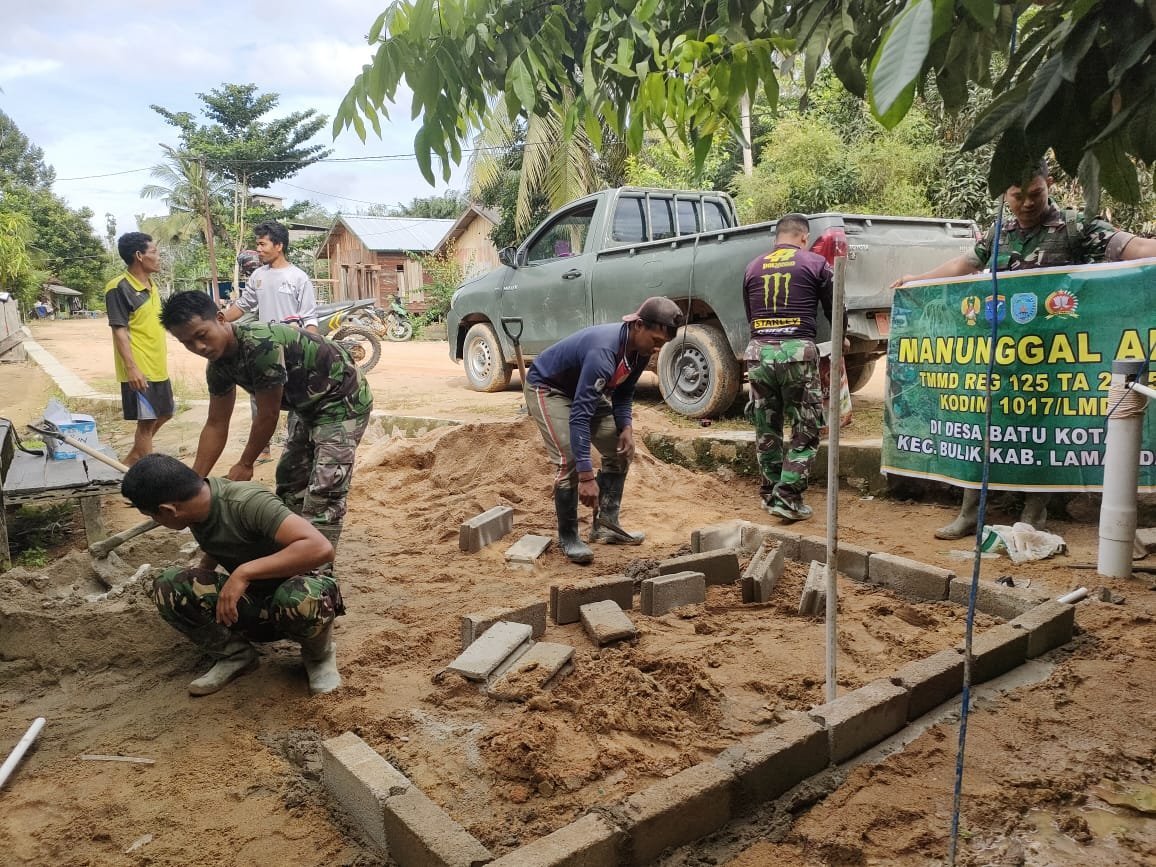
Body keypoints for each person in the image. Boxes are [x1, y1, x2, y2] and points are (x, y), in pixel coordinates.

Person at [892, 159, 1156, 539]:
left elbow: (1131, 247)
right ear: (1005, 195)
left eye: (1036, 194)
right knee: (982, 428)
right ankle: (971, 513)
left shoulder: (1076, 226)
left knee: (1042, 432)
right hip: (1001, 357)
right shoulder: (999, 233)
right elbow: (964, 264)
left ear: (1049, 186)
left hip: (1055, 358)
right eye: (1018, 197)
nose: (1028, 203)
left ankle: (1033, 517)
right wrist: (918, 279)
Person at [159, 290, 373, 553]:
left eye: (201, 335)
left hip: (342, 400)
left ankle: (316, 571)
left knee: (326, 487)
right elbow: (216, 423)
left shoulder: (260, 344)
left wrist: (245, 463)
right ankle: (290, 547)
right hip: (306, 406)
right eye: (187, 343)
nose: (199, 348)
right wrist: (192, 484)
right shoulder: (217, 365)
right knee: (290, 479)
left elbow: (267, 415)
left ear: (220, 318)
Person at [122, 454, 342, 695]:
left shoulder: (246, 501)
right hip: (255, 604)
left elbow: (320, 548)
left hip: (304, 601)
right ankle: (236, 656)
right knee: (169, 585)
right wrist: (194, 589)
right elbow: (223, 542)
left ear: (168, 509)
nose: (156, 521)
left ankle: (318, 657)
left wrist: (243, 573)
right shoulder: (197, 507)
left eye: (153, 516)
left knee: (299, 595)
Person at [525, 297, 684, 564]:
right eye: (656, 341)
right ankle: (569, 537)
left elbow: (624, 393)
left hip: (581, 390)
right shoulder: (604, 352)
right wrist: (587, 477)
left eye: (662, 344)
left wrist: (626, 427)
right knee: (570, 460)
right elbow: (580, 416)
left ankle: (606, 526)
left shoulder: (640, 351)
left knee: (621, 450)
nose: (657, 349)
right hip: (549, 388)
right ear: (638, 326)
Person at [743, 213, 842, 522]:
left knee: (766, 425)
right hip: (797, 354)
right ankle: (787, 496)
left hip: (759, 354)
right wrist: (841, 341)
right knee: (806, 426)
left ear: (776, 237)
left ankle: (770, 491)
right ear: (803, 237)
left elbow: (751, 316)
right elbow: (836, 307)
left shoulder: (752, 267)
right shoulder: (815, 264)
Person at [105, 232, 174, 465]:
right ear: (139, 256)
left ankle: (131, 461)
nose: (158, 256)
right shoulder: (119, 288)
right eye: (153, 252)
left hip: (158, 366)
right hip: (139, 367)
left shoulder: (151, 285)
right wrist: (131, 368)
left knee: (165, 413)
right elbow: (119, 331)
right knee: (146, 424)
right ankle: (145, 482)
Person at [224, 222, 319, 333]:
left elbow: (310, 319)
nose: (258, 249)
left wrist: (311, 347)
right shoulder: (257, 275)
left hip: (292, 345)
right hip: (266, 343)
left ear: (279, 246)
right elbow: (242, 306)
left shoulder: (299, 278)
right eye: (257, 244)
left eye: (262, 244)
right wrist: (216, 320)